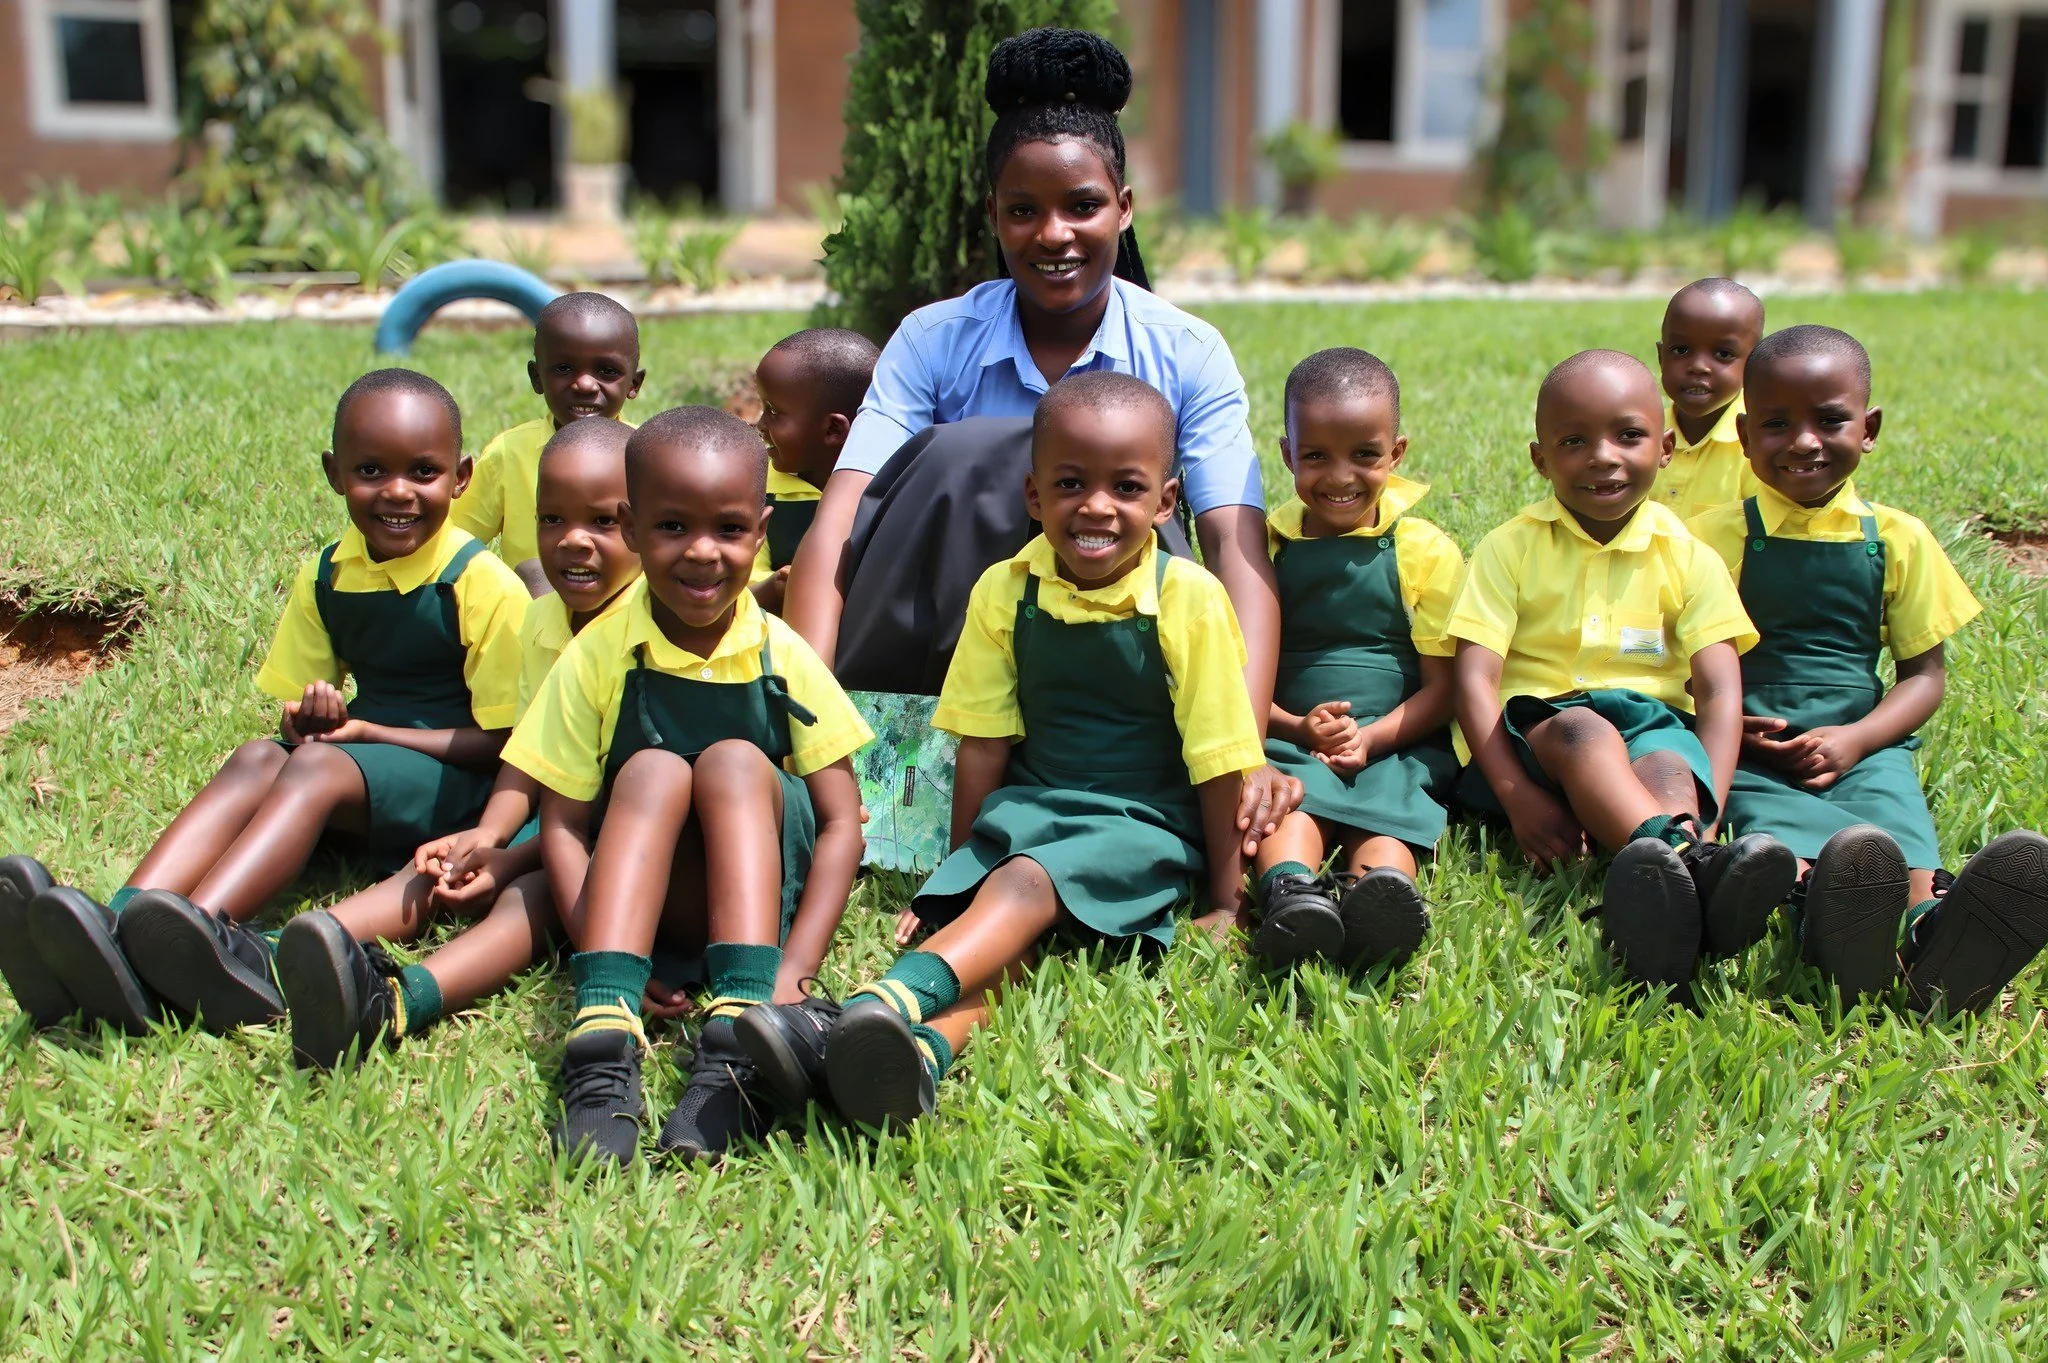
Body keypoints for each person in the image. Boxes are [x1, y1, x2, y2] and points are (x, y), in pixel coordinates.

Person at [781, 26, 1297, 852]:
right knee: (964, 455)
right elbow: (838, 529)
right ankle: (918, 780)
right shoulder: (932, 339)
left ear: (1124, 209)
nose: (1053, 234)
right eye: (1023, 210)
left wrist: (1242, 748)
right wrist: (808, 721)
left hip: (1122, 682)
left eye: (1082, 206)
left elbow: (1238, 552)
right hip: (948, 663)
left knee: (1111, 480)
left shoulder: (1186, 350)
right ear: (993, 216)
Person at [737, 373, 1264, 1132]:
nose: (1096, 506)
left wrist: (1223, 896)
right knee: (1005, 949)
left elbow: (1219, 756)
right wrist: (960, 872)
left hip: (1142, 824)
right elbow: (983, 741)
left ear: (1166, 502)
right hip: (1034, 808)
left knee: (1024, 886)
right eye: (1071, 483)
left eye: (1127, 486)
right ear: (1033, 495)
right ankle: (917, 1055)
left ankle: (865, 1008)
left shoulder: (1188, 598)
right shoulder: (1005, 589)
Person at [0, 371, 526, 1036]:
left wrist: (368, 732)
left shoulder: (479, 583)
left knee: (313, 768)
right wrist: (311, 720)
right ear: (335, 473)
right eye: (371, 469)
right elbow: (298, 717)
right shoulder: (330, 572)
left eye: (423, 471)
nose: (398, 491)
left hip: (462, 782)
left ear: (461, 476)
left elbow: (509, 744)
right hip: (368, 770)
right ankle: (120, 918)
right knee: (257, 756)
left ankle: (201, 936)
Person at [503, 407, 870, 1165]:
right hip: (649, 906)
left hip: (761, 909)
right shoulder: (601, 650)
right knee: (653, 767)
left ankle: (737, 1045)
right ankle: (600, 1042)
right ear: (632, 528)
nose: (703, 553)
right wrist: (600, 951)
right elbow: (564, 823)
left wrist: (794, 976)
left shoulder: (782, 653)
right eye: (673, 528)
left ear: (762, 528)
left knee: (734, 759)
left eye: (730, 529)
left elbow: (841, 823)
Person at [1688, 324, 2048, 1011]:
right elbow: (1685, 662)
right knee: (1777, 840)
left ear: (1870, 426)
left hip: (1867, 744)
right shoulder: (1711, 536)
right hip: (1754, 744)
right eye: (1776, 423)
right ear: (1742, 433)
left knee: (1900, 841)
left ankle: (1935, 934)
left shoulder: (1898, 538)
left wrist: (1856, 740)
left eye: (1830, 420)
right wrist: (1727, 726)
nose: (1804, 442)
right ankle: (1824, 924)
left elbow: (1923, 675)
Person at [271, 418, 642, 1070]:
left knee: (533, 897)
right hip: (557, 813)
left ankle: (397, 1002)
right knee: (443, 866)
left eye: (604, 523)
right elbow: (530, 752)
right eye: (551, 520)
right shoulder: (544, 619)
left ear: (640, 529)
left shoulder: (644, 632)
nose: (573, 541)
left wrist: (514, 858)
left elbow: (616, 804)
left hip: (627, 832)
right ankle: (289, 950)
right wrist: (491, 836)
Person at [1448, 350, 1795, 989]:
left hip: (1650, 721)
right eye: (1574, 441)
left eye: (1628, 436)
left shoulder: (1686, 556)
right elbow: (1473, 679)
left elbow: (1718, 690)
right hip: (1539, 735)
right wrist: (1516, 797)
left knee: (1666, 764)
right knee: (1586, 733)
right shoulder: (1511, 547)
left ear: (1664, 447)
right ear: (1540, 458)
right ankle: (1697, 870)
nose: (1604, 456)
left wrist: (1711, 802)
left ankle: (1677, 879)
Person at [1248, 349, 1463, 971]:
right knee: (1288, 799)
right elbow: (1237, 666)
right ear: (1287, 455)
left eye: (1364, 456)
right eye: (1316, 456)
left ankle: (1379, 900)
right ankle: (1291, 894)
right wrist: (1292, 726)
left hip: (1396, 738)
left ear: (1396, 454)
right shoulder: (1266, 543)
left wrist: (1370, 739)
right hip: (1286, 731)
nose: (1339, 476)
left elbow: (1443, 688)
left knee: (1389, 816)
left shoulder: (1422, 550)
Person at [451, 291, 644, 596]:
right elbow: (454, 542)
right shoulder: (509, 453)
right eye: (564, 369)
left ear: (634, 383)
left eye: (606, 371)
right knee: (535, 572)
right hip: (535, 613)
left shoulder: (647, 455)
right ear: (536, 377)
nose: (584, 384)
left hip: (627, 615)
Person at [749, 327, 880, 614]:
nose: (759, 424)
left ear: (833, 429)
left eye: (773, 411)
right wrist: (775, 586)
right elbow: (738, 590)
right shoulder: (758, 490)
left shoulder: (886, 492)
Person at [1652, 277, 1765, 521]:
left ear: (1755, 364)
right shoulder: (1642, 435)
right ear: (1662, 357)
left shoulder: (1759, 444)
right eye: (1681, 350)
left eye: (1723, 354)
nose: (1698, 367)